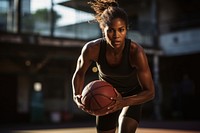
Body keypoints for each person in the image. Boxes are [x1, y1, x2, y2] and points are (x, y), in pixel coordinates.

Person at [72, 0, 155, 132]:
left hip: (132, 95)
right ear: (102, 29)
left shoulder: (135, 52)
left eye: (121, 30)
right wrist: (76, 95)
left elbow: (150, 92)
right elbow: (80, 72)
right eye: (111, 30)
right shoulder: (92, 49)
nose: (116, 36)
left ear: (126, 29)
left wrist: (124, 102)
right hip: (106, 95)